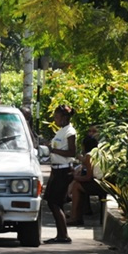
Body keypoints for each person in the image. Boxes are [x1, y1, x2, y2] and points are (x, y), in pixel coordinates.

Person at [43, 104, 77, 244]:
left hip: (64, 170)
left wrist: (53, 151)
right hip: (56, 169)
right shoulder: (61, 131)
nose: (55, 120)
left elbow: (71, 152)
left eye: (57, 117)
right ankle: (61, 234)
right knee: (54, 202)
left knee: (54, 202)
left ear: (64, 118)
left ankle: (63, 235)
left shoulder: (70, 132)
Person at [66, 135, 105, 226]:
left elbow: (88, 177)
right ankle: (76, 215)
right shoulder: (99, 153)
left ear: (84, 146)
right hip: (103, 182)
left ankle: (75, 217)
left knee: (76, 186)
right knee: (78, 184)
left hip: (99, 184)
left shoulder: (89, 156)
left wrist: (74, 178)